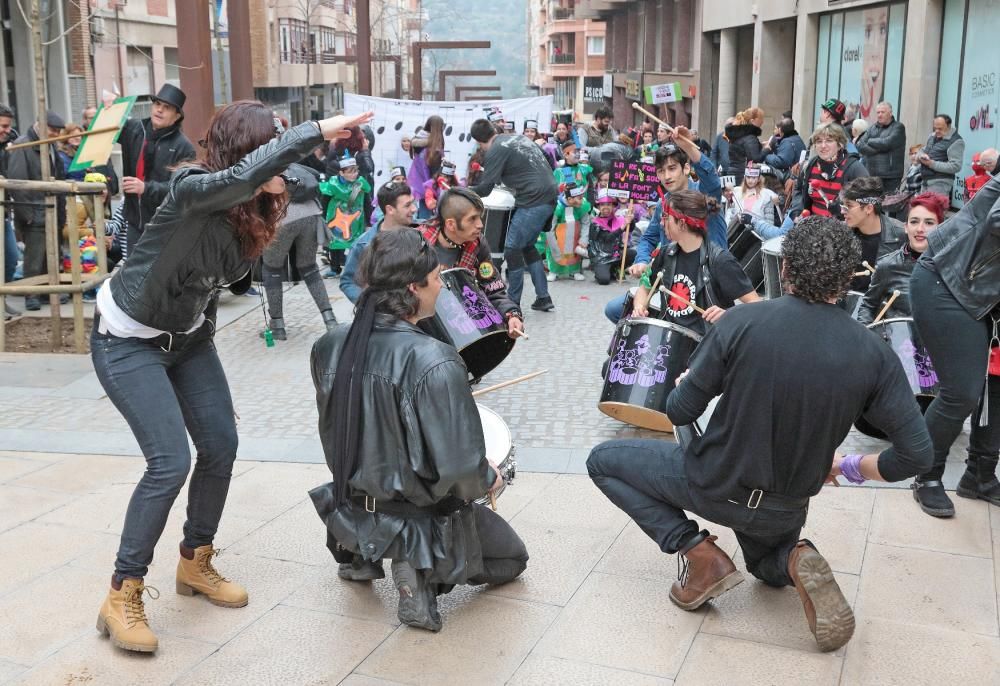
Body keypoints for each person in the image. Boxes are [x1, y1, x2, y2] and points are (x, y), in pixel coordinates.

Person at [91, 102, 374, 653]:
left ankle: (195, 562)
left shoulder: (252, 208)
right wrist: (314, 131)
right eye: (270, 146)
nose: (284, 171)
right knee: (170, 461)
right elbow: (244, 176)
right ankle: (122, 591)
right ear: (247, 150)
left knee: (220, 443)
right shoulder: (194, 189)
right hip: (127, 338)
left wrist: (208, 387)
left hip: (188, 339)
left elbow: (210, 288)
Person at [587, 216, 934, 652]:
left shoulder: (741, 322)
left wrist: (688, 380)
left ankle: (698, 552)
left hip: (713, 483)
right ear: (848, 279)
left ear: (785, 268)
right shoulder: (874, 353)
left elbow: (678, 411)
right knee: (769, 568)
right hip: (785, 506)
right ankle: (796, 557)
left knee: (602, 462)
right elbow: (918, 455)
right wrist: (846, 466)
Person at [308, 229, 528, 631]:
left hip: (354, 495)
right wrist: (488, 477)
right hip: (415, 508)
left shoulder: (329, 344)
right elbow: (459, 468)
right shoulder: (436, 358)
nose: (443, 285)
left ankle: (361, 553)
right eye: (438, 277)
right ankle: (419, 570)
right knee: (513, 558)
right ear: (413, 287)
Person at [909, 175, 1000, 515]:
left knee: (997, 383)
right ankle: (926, 476)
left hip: (982, 293)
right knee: (960, 392)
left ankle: (979, 475)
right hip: (946, 283)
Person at [603, 126, 726, 322]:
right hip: (673, 282)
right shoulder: (663, 203)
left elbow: (710, 177)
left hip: (708, 285)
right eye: (661, 171)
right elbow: (649, 238)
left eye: (672, 168)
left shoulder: (703, 196)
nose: (666, 177)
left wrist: (686, 145)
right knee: (615, 310)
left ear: (686, 168)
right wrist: (642, 260)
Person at [630, 189, 758, 334]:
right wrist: (639, 306)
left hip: (708, 346)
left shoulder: (720, 260)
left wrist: (728, 315)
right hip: (668, 342)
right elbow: (645, 288)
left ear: (682, 223)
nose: (661, 222)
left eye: (666, 217)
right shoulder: (665, 254)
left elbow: (756, 305)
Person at [468, 118, 559, 311]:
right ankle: (543, 297)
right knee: (527, 246)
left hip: (534, 199)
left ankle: (512, 302)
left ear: (478, 141)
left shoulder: (495, 149)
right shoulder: (517, 138)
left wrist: (462, 191)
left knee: (511, 248)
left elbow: (484, 189)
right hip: (548, 194)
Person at [419, 187, 524, 337]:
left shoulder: (478, 244)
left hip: (463, 328)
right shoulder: (417, 244)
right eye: (472, 219)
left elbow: (493, 288)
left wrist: (512, 314)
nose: (480, 225)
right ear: (451, 224)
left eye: (480, 217)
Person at [259, 159, 337, 341]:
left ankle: (277, 326)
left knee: (271, 269)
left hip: (282, 218)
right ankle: (330, 320)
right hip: (311, 213)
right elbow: (315, 174)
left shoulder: (264, 161)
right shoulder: (291, 160)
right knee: (309, 267)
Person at [116, 84, 196, 255]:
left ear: (176, 117)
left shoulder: (184, 147)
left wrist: (145, 188)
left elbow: (181, 189)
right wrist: (111, 105)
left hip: (164, 227)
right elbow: (107, 128)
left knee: (158, 279)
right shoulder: (134, 129)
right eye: (157, 104)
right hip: (134, 222)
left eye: (166, 108)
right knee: (131, 277)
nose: (159, 110)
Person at [7, 110, 67, 312]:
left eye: (58, 131)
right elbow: (17, 183)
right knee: (33, 257)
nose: (56, 134)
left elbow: (58, 175)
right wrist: (28, 216)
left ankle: (45, 290)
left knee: (51, 255)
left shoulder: (50, 145)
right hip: (34, 211)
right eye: (52, 130)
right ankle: (31, 293)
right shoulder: (22, 146)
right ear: (39, 125)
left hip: (52, 209)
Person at [856, 192, 946, 324]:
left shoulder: (953, 265)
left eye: (929, 222)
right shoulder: (887, 265)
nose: (920, 229)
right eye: (914, 222)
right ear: (906, 227)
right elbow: (868, 306)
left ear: (941, 228)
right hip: (902, 342)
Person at [340, 181, 418, 304]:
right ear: (390, 209)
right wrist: (371, 305)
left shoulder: (421, 233)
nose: (414, 209)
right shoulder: (364, 244)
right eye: (407, 205)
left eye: (413, 203)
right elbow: (348, 282)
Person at [839, 176, 905, 292]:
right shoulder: (841, 232)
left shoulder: (900, 234)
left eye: (848, 206)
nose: (842, 211)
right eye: (843, 206)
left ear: (869, 208)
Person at [792, 122, 868, 221]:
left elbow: (867, 201)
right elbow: (799, 190)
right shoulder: (809, 166)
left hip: (843, 230)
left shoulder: (854, 168)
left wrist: (842, 210)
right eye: (819, 141)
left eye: (829, 141)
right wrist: (797, 211)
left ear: (840, 144)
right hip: (813, 227)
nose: (823, 146)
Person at [320, 153, 371, 276]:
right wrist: (322, 217)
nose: (354, 174)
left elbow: (367, 203)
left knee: (354, 243)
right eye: (350, 172)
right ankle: (334, 268)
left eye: (355, 171)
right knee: (335, 242)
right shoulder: (332, 184)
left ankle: (354, 268)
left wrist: (368, 221)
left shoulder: (360, 184)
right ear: (341, 173)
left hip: (356, 219)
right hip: (335, 217)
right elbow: (324, 201)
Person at [856, 102, 907, 193]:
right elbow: (860, 144)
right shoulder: (873, 127)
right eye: (878, 112)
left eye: (882, 112)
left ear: (890, 113)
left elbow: (887, 143)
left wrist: (870, 141)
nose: (879, 115)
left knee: (888, 204)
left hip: (890, 176)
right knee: (872, 204)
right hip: (872, 174)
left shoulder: (898, 127)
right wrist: (879, 148)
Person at [545, 184, 590, 282]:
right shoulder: (557, 207)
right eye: (579, 198)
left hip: (575, 234)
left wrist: (583, 239)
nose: (582, 201)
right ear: (569, 199)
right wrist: (553, 244)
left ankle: (574, 271)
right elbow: (550, 227)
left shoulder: (582, 206)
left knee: (574, 252)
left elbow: (586, 223)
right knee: (556, 252)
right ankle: (553, 271)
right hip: (559, 235)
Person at [589, 191, 634, 285]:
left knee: (632, 253)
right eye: (602, 205)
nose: (606, 207)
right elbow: (607, 239)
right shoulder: (595, 223)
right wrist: (623, 226)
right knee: (604, 280)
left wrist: (631, 219)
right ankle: (600, 269)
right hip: (601, 257)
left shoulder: (619, 219)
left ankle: (616, 268)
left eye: (609, 204)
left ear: (613, 206)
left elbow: (630, 228)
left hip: (615, 253)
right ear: (598, 207)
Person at [407, 115, 446, 220]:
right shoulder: (433, 149)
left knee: (422, 211)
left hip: (416, 182)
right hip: (429, 184)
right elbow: (434, 170)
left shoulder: (418, 140)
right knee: (428, 215)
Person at [919, 114, 965, 198]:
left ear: (948, 126)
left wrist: (931, 164)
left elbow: (956, 166)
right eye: (935, 128)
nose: (936, 131)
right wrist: (921, 155)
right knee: (924, 210)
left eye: (940, 128)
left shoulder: (956, 141)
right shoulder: (932, 136)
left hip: (940, 184)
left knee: (934, 210)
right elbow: (923, 150)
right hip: (925, 181)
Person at [723, 161, 778, 226]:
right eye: (748, 177)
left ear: (758, 179)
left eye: (754, 178)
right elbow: (731, 215)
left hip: (757, 233)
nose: (750, 180)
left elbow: (769, 223)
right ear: (745, 177)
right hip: (738, 232)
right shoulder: (737, 192)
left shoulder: (766, 195)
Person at [723, 107, 764, 183]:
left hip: (734, 173)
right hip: (743, 176)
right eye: (761, 118)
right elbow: (754, 158)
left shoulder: (738, 135)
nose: (763, 121)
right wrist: (767, 149)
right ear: (753, 121)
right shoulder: (750, 137)